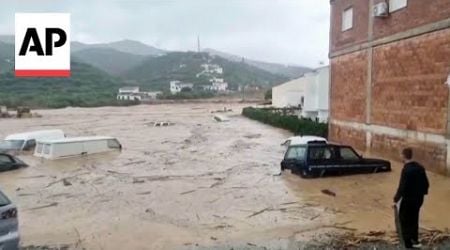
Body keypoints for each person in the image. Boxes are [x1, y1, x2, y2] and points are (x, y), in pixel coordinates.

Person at [394, 148, 429, 249]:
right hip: (418, 199)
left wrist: (395, 199)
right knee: (414, 218)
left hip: (408, 200)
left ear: (404, 156)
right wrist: (422, 194)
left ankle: (408, 243)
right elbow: (426, 184)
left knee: (404, 219)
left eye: (401, 155)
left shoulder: (406, 170)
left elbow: (402, 187)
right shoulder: (420, 168)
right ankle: (415, 240)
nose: (401, 156)